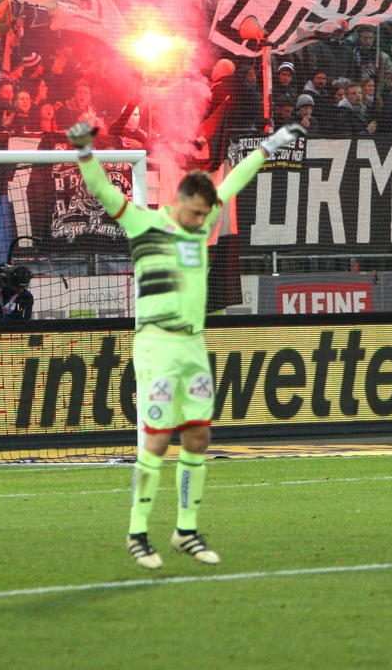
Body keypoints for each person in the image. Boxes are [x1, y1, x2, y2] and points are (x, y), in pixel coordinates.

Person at [67, 117, 306, 570]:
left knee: (198, 434)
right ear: (177, 201)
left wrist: (270, 146)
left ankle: (185, 530)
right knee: (155, 441)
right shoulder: (142, 223)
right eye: (196, 213)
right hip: (157, 345)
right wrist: (83, 150)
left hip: (194, 346)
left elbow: (232, 180)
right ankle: (138, 532)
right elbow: (102, 190)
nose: (203, 221)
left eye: (206, 214)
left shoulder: (203, 223)